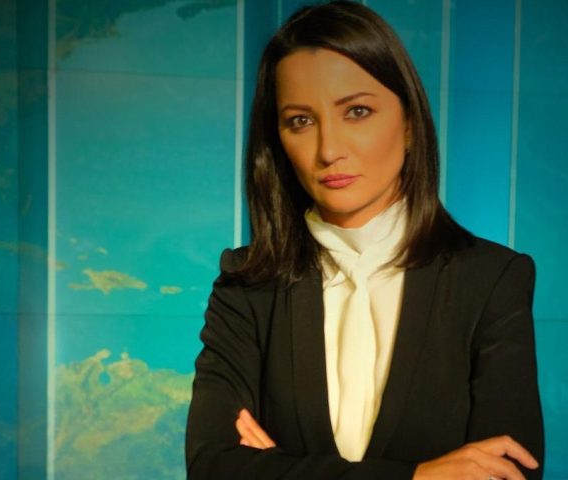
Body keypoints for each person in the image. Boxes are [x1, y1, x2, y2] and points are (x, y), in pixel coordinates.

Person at [186, 2, 544, 479]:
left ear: (411, 123)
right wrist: (418, 476)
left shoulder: (491, 279)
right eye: (300, 121)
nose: (329, 149)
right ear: (277, 139)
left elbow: (507, 473)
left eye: (357, 111)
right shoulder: (246, 285)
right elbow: (214, 467)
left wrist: (278, 469)